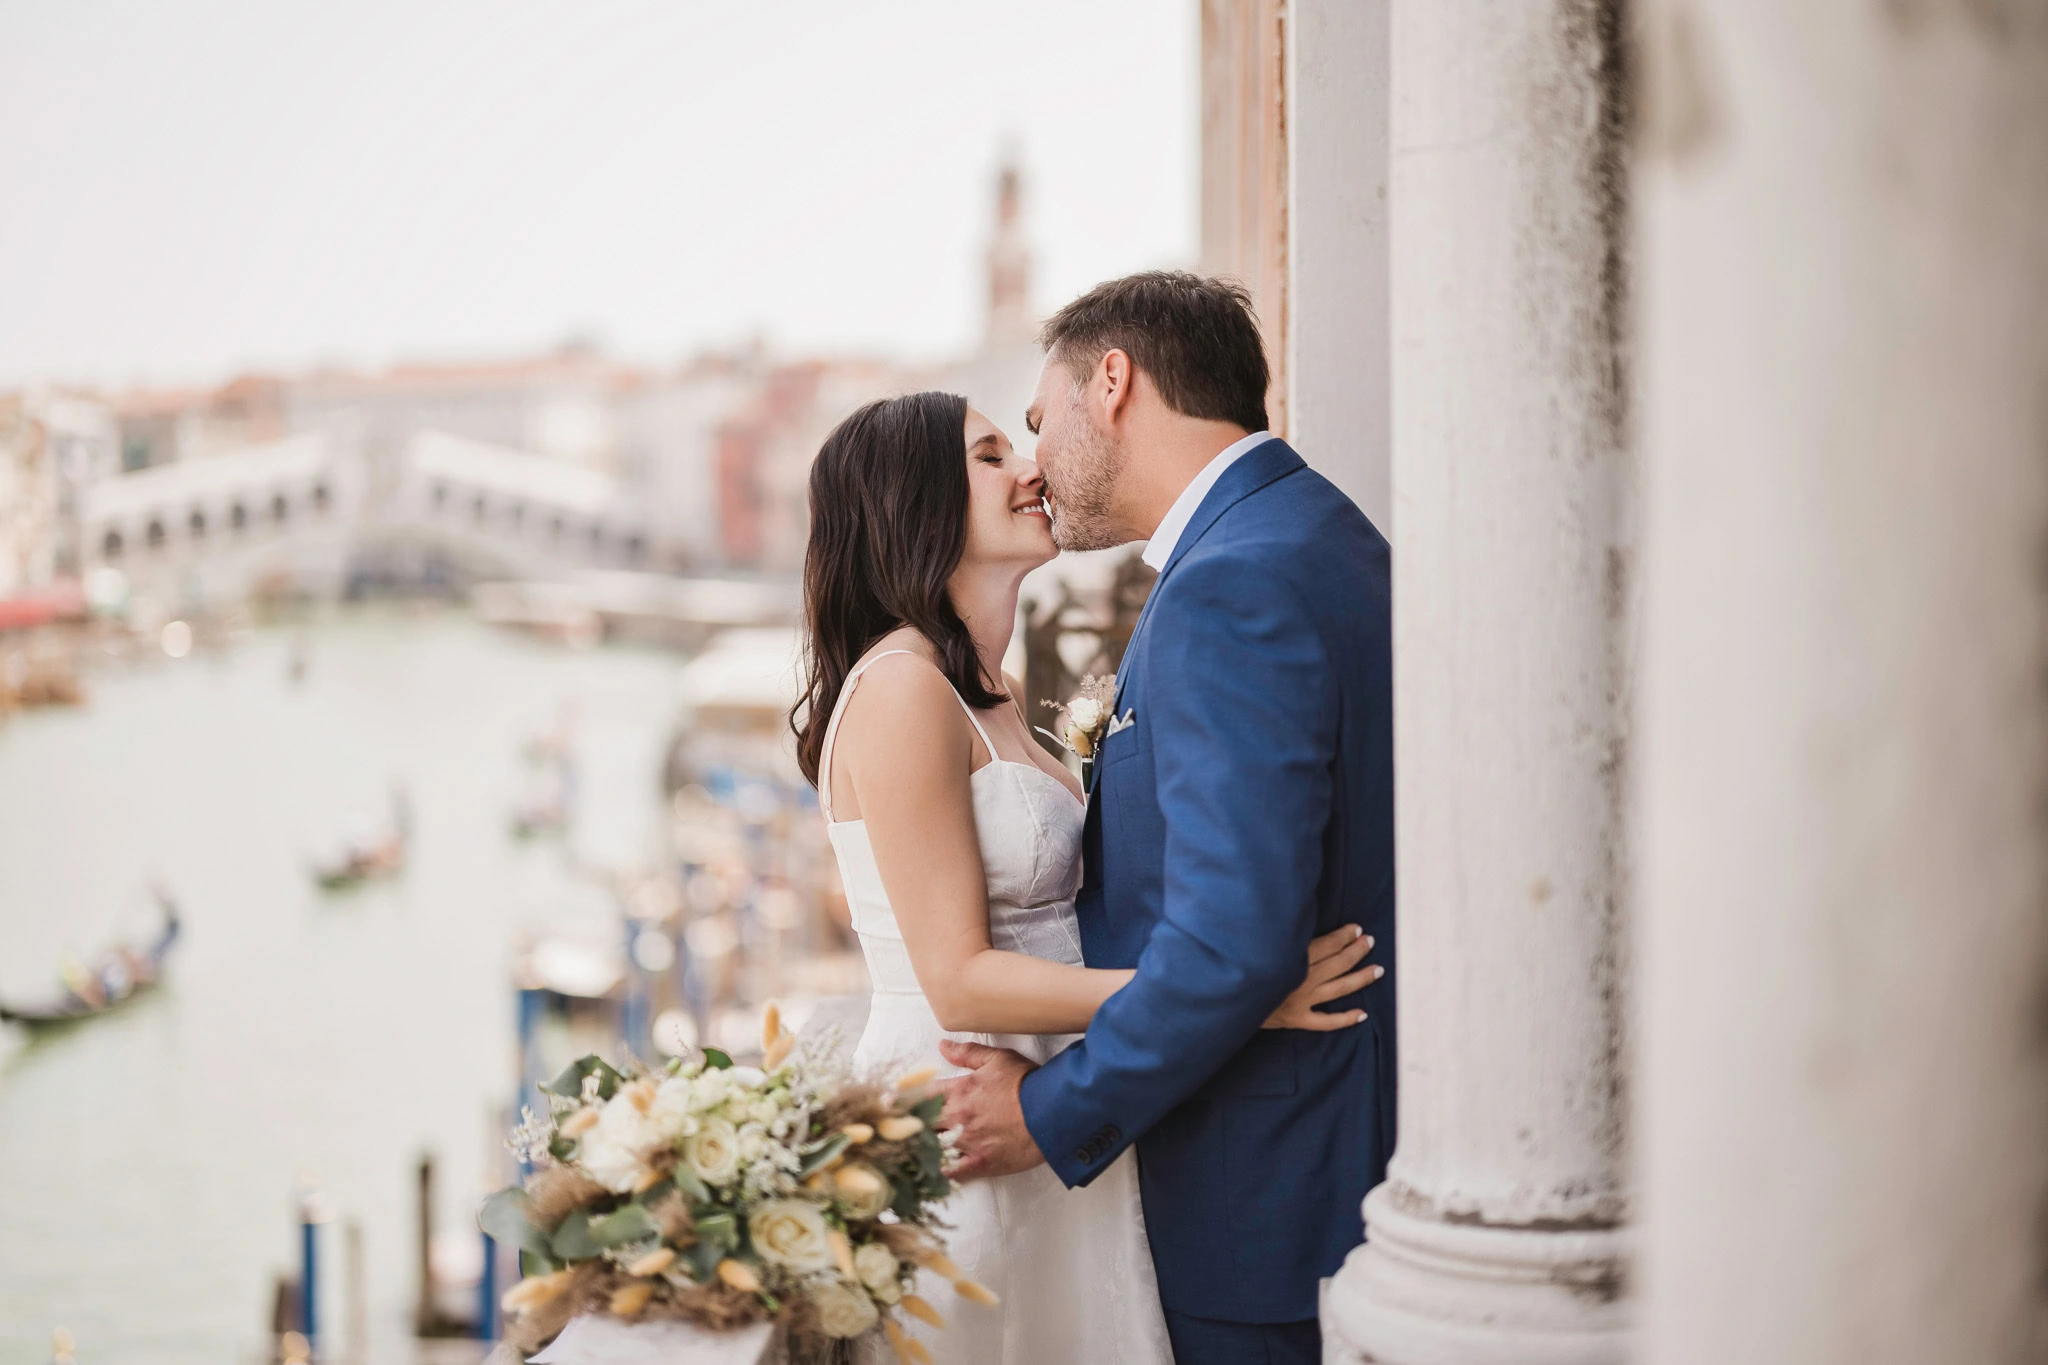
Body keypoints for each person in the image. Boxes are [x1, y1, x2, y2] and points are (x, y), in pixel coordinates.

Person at [792, 385, 1381, 1363]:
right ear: (910, 503)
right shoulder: (899, 689)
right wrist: (1227, 998)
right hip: (966, 1110)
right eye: (989, 456)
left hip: (1056, 1095)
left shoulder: (994, 694)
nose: (1029, 467)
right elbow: (959, 978)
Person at [937, 271, 1395, 1364]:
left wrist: (1047, 1112)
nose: (1034, 464)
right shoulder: (1311, 534)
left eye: (1037, 423)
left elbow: (1233, 941)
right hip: (1326, 1161)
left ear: (1113, 381)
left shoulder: (1231, 584)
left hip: (1266, 1194)